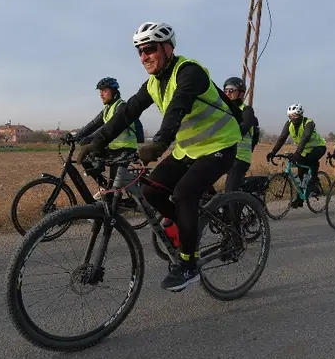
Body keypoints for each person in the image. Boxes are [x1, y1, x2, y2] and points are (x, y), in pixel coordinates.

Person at [76, 21, 241, 292]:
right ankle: (188, 227)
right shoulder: (153, 83)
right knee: (150, 190)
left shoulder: (190, 72)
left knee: (185, 192)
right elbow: (128, 111)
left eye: (150, 49)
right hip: (188, 149)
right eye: (140, 51)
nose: (144, 56)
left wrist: (160, 143)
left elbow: (179, 105)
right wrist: (96, 142)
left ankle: (188, 265)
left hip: (219, 145)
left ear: (167, 48)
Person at [72, 77, 143, 196]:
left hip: (125, 149)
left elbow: (110, 128)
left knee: (114, 185)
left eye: (104, 91)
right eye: (100, 91)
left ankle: (116, 195)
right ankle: (105, 188)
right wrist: (76, 136)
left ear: (114, 92)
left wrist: (90, 138)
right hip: (113, 148)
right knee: (86, 157)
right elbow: (93, 124)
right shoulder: (107, 109)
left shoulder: (121, 107)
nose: (101, 94)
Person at [266, 104, 326, 208]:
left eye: (295, 115)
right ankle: (300, 199)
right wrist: (273, 152)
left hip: (318, 147)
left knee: (312, 159)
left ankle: (314, 181)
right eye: (290, 116)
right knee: (301, 173)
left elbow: (305, 138)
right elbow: (282, 137)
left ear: (301, 114)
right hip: (304, 150)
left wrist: (297, 153)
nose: (293, 118)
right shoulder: (289, 124)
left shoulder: (308, 123)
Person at [221, 76, 259, 193]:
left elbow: (244, 128)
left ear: (241, 94)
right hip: (224, 155)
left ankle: (235, 204)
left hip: (240, 157)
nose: (228, 93)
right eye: (225, 90)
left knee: (230, 192)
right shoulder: (223, 110)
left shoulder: (246, 110)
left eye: (231, 90)